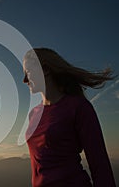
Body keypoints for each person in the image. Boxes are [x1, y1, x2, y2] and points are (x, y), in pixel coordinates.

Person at [23, 48, 116, 187]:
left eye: (27, 72)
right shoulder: (33, 114)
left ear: (46, 70)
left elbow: (100, 165)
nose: (24, 80)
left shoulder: (78, 107)